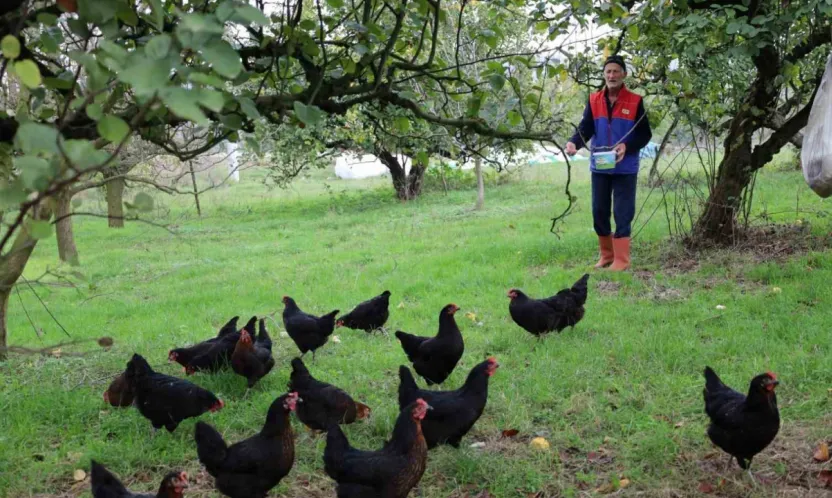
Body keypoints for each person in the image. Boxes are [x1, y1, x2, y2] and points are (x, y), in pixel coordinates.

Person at [566, 55, 652, 271]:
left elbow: (645, 135)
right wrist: (573, 142)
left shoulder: (635, 101)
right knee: (599, 211)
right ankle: (607, 256)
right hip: (601, 166)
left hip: (625, 167)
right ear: (604, 75)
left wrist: (627, 146)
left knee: (623, 212)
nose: (612, 75)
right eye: (608, 72)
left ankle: (622, 260)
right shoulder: (594, 99)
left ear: (624, 74)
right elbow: (586, 127)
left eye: (616, 71)